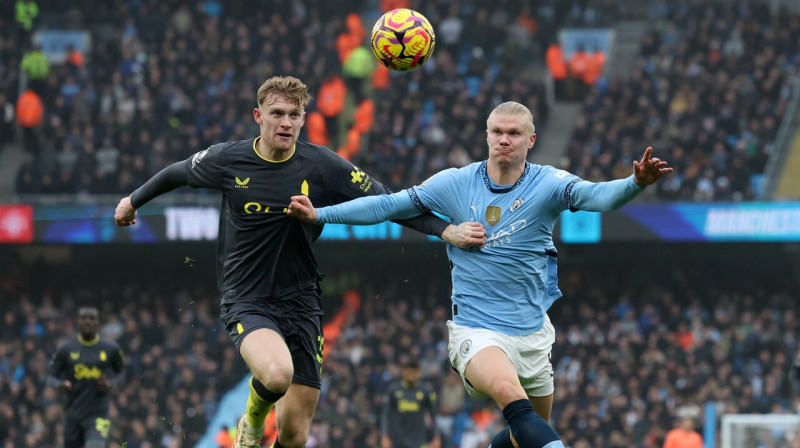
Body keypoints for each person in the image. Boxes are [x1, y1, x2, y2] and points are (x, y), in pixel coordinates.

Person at [113, 75, 483, 448]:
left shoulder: (321, 165)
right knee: (275, 376)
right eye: (277, 113)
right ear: (259, 116)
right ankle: (252, 423)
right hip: (247, 298)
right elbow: (176, 173)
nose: (286, 122)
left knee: (293, 436)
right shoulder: (229, 159)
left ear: (304, 119)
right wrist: (133, 201)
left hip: (302, 303)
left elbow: (387, 201)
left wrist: (445, 230)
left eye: (294, 114)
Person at [288, 101, 673, 448]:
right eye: (498, 132)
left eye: (514, 133)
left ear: (531, 139)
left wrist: (634, 183)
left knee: (527, 432)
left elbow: (599, 197)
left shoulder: (550, 185)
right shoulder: (456, 183)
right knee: (508, 392)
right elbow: (389, 206)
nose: (504, 139)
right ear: (487, 135)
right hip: (477, 330)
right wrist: (321, 214)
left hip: (533, 333)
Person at [47, 307, 125, 448]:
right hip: (72, 415)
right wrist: (60, 385)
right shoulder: (66, 349)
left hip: (98, 414)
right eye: (83, 318)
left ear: (98, 323)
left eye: (91, 318)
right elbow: (51, 375)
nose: (87, 321)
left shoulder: (110, 349)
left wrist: (110, 384)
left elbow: (121, 373)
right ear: (77, 322)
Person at [381, 359, 440, 448]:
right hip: (397, 439)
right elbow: (385, 414)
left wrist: (436, 436)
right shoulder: (393, 390)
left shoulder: (426, 390)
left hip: (419, 439)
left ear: (419, 372)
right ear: (403, 371)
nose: (411, 374)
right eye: (409, 371)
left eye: (414, 371)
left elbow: (433, 415)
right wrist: (384, 435)